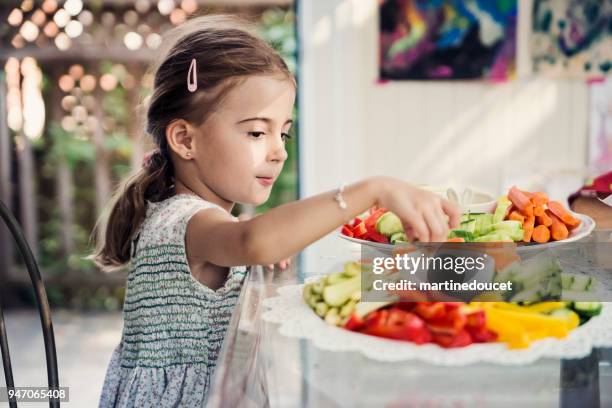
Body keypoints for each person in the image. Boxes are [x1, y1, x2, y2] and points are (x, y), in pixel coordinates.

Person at [91, 14, 460, 407]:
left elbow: (244, 238)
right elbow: (253, 243)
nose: (279, 150)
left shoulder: (196, 219)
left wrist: (251, 232)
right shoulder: (183, 221)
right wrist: (373, 189)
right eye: (256, 132)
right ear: (185, 139)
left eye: (282, 132)